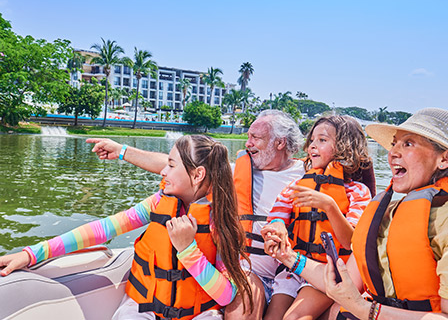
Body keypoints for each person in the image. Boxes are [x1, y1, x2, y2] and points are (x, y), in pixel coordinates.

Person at [265, 108, 448, 320]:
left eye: (408, 144)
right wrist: (288, 257)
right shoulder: (387, 214)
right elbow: (346, 281)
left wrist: (364, 309)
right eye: (394, 144)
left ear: (445, 158)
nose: (392, 153)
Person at [0, 135, 253, 319]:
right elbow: (102, 230)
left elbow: (226, 295)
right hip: (144, 307)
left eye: (172, 165)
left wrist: (188, 250)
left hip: (198, 314)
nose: (163, 171)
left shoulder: (221, 222)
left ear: (197, 175)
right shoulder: (158, 203)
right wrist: (32, 254)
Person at [85, 110, 305, 319]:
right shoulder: (237, 170)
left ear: (280, 142)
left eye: (255, 137)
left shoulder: (306, 175)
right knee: (241, 310)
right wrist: (122, 151)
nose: (247, 144)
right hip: (246, 269)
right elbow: (179, 166)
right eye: (248, 136)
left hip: (288, 271)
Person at [260, 115, 374, 320]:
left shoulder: (358, 192)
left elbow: (351, 241)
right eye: (311, 140)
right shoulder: (297, 187)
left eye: (322, 140)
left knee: (294, 318)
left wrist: (330, 206)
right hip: (293, 269)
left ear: (344, 147)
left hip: (326, 274)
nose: (312, 146)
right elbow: (277, 216)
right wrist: (276, 229)